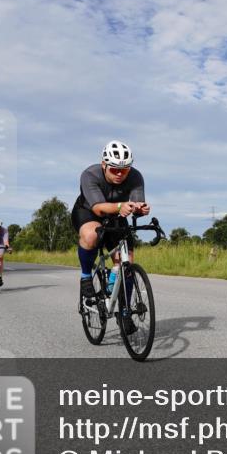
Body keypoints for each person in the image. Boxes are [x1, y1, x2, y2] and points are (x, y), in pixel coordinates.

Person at [71, 140, 149, 330]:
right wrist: (121, 206)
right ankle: (85, 276)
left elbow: (135, 204)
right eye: (114, 169)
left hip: (116, 214)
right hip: (88, 211)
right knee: (91, 236)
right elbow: (98, 208)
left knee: (126, 262)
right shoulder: (90, 174)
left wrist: (140, 209)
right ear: (104, 165)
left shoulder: (136, 176)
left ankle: (124, 312)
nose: (120, 174)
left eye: (125, 169)